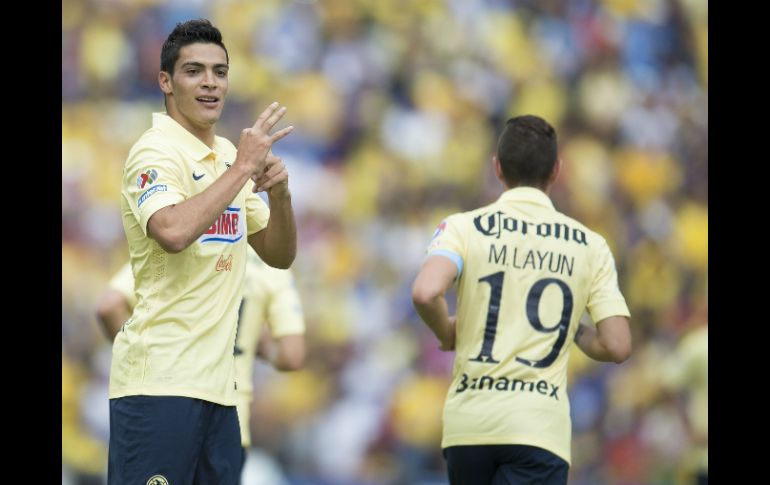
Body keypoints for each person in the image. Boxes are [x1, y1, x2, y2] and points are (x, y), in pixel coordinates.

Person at [109, 18, 296, 484]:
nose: (210, 82)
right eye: (194, 71)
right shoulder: (154, 153)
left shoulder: (228, 155)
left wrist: (280, 195)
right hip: (159, 384)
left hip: (221, 393)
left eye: (220, 71)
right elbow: (171, 231)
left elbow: (278, 255)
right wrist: (243, 169)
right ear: (166, 82)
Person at [411, 115, 632, 485]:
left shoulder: (462, 227)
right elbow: (617, 345)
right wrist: (571, 326)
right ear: (556, 170)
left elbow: (425, 291)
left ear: (497, 167)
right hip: (538, 429)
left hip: (469, 428)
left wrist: (446, 332)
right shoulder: (591, 246)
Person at [96, 250, 307, 481]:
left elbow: (109, 306)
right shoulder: (271, 266)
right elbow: (291, 355)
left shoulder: (185, 245)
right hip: (230, 419)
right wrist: (261, 346)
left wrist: (145, 354)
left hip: (166, 399)